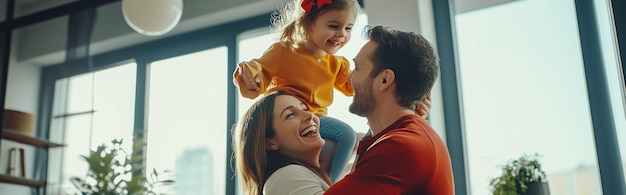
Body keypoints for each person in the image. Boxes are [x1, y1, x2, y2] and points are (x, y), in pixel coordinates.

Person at [233, 0, 360, 182]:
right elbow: (259, 68)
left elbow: (351, 87)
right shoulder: (284, 51)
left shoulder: (337, 63)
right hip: (293, 121)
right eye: (334, 26)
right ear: (308, 24)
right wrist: (249, 74)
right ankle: (328, 184)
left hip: (316, 121)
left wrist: (364, 74)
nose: (341, 34)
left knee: (356, 140)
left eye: (348, 28)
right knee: (347, 135)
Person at [324, 25, 455, 194]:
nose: (349, 78)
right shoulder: (403, 139)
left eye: (357, 69)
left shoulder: (401, 148)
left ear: (385, 80)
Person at [233, 90, 331, 195]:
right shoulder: (286, 176)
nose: (309, 115)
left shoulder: (303, 176)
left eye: (304, 108)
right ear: (270, 143)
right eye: (290, 115)